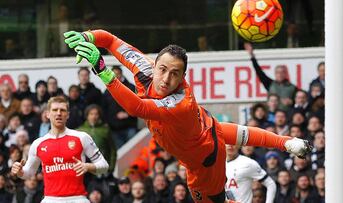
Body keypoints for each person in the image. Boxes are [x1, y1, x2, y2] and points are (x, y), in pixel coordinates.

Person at [64, 30, 311, 203]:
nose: (166, 78)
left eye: (175, 74)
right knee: (225, 130)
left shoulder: (180, 102)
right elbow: (108, 39)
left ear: (182, 76)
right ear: (154, 64)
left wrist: (102, 70)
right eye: (162, 69)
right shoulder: (145, 68)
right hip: (206, 130)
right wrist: (85, 37)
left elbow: (137, 108)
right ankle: (287, 142)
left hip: (205, 162)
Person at [11, 96, 109, 203]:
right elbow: (29, 173)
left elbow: (104, 166)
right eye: (55, 110)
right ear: (47, 114)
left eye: (62, 110)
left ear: (68, 115)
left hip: (77, 199)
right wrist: (20, 172)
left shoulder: (82, 137)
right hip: (50, 199)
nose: (58, 113)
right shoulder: (38, 144)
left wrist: (88, 166)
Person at [244, 43, 297, 110]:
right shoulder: (270, 84)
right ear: (275, 74)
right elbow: (259, 72)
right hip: (272, 115)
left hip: (286, 116)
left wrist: (292, 102)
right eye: (278, 72)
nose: (280, 74)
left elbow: (301, 101)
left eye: (282, 72)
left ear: (286, 73)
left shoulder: (292, 87)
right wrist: (252, 56)